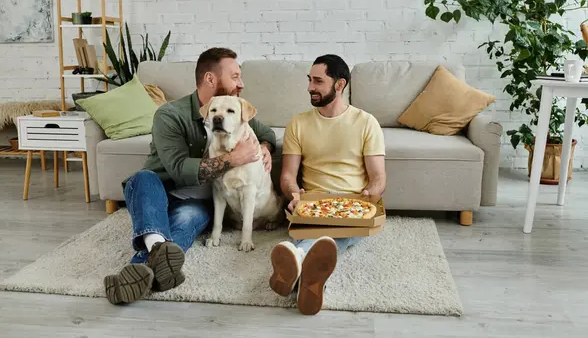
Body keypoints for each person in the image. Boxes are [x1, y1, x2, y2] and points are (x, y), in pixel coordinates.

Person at [104, 47, 277, 305]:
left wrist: (264, 148)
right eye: (235, 76)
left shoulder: (235, 109)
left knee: (189, 218)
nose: (241, 84)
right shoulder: (170, 115)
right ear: (210, 79)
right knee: (142, 178)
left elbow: (268, 133)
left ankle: (141, 268)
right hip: (156, 189)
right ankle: (155, 259)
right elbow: (178, 169)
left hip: (195, 203)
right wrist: (232, 158)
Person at [268, 54, 386, 315]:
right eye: (310, 80)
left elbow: (378, 176)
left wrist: (369, 196)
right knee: (318, 233)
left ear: (340, 84)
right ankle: (309, 279)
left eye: (318, 81)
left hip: (351, 205)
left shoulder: (367, 123)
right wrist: (293, 195)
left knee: (338, 230)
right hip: (312, 204)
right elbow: (288, 175)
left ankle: (297, 259)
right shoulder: (298, 123)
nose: (310, 87)